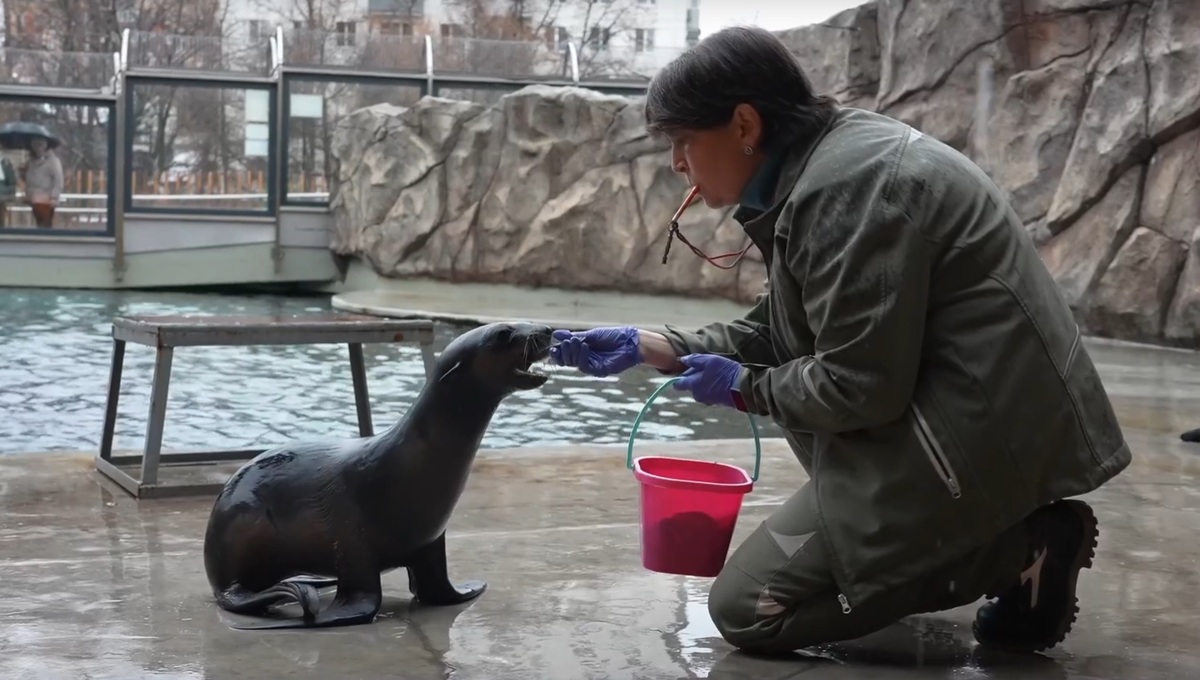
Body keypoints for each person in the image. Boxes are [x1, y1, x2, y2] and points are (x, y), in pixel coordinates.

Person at [549, 26, 1130, 656]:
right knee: (802, 573)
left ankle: (1019, 549)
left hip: (977, 441)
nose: (676, 163)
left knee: (748, 609)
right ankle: (999, 539)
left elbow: (861, 386)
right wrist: (655, 344)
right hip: (968, 426)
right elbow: (782, 331)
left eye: (683, 140)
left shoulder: (849, 187)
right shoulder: (824, 168)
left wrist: (747, 388)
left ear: (744, 125)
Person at [22, 137, 63, 228]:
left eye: (39, 146)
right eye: (35, 146)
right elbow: (28, 177)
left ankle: (47, 241)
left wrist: (54, 196)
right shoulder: (31, 161)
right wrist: (22, 171)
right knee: (39, 222)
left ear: (45, 147)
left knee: (45, 224)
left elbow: (58, 180)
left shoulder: (53, 161)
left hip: (46, 198)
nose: (37, 148)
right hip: (34, 197)